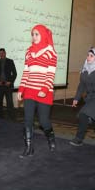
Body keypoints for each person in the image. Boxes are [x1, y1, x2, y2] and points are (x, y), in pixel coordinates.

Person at [17, 24, 57, 157]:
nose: (33, 37)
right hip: (29, 90)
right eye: (32, 35)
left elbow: (51, 74)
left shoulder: (50, 51)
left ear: (43, 35)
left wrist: (44, 89)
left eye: (36, 34)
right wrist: (21, 89)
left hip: (44, 91)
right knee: (27, 119)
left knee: (43, 121)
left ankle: (51, 137)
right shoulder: (29, 52)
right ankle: (29, 148)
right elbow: (26, 72)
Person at [0, 48, 17, 118]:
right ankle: (0, 118)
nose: (1, 54)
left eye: (2, 53)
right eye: (0, 53)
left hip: (8, 85)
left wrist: (10, 82)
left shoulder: (10, 61)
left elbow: (14, 73)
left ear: (5, 53)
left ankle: (11, 118)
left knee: (10, 103)